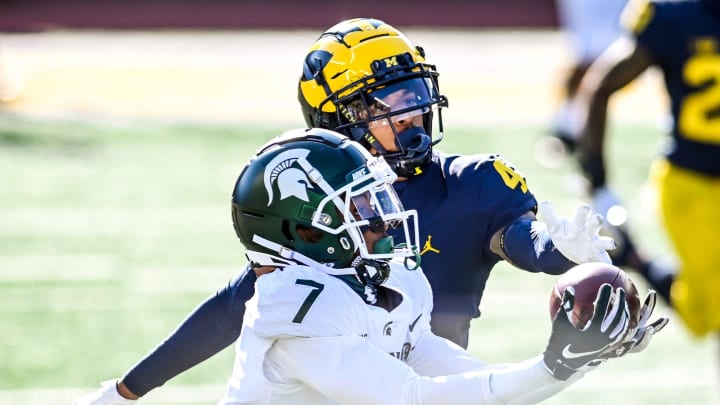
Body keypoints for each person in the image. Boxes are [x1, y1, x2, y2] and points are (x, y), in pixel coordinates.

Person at [73, 18, 666, 403]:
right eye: (392, 101)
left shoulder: (453, 197)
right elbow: (239, 304)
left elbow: (521, 248)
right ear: (339, 117)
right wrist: (128, 389)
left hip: (428, 378)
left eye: (417, 94)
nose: (414, 112)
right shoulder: (313, 217)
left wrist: (566, 263)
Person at [215, 128, 651, 404]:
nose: (382, 214)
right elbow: (416, 398)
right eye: (361, 202)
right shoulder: (295, 313)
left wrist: (583, 356)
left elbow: (484, 387)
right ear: (308, 229)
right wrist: (554, 365)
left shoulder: (389, 281)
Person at [572, 0, 720, 353]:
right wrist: (598, 181)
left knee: (701, 315)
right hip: (695, 185)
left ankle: (633, 256)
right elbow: (600, 86)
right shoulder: (675, 17)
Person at [543, 0, 676, 306]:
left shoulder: (668, 15)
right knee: (592, 51)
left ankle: (636, 257)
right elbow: (599, 85)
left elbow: (600, 86)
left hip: (686, 177)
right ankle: (566, 124)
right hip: (692, 171)